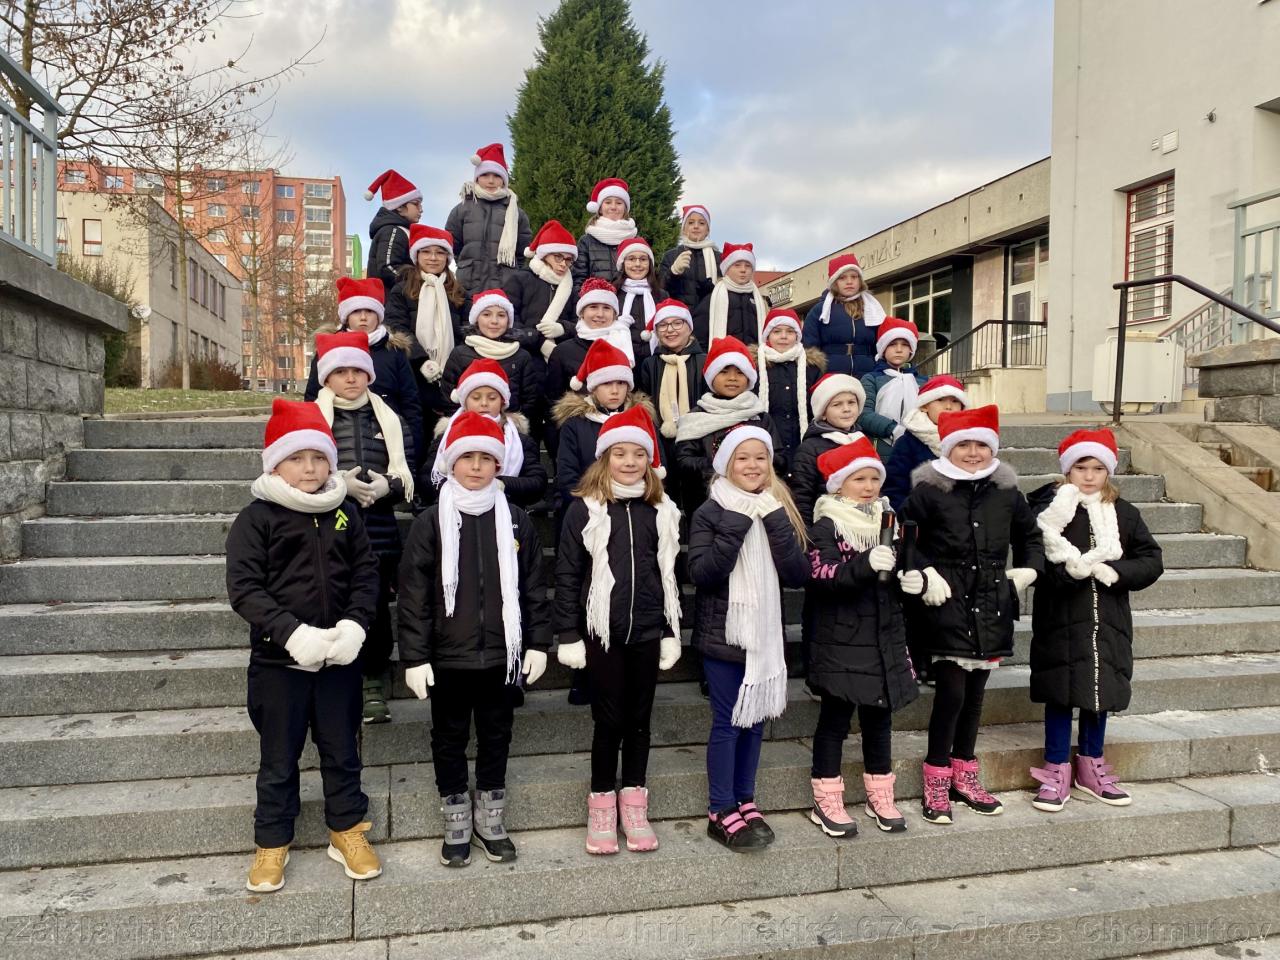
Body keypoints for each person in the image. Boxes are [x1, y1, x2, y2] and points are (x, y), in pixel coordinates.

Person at [225, 399, 381, 892]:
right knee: (278, 758)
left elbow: (366, 574)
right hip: (279, 664)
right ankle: (272, 841)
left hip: (338, 660)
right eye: (297, 458)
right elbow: (245, 589)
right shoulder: (257, 519)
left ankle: (347, 829)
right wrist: (292, 633)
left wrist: (355, 626)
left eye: (318, 458)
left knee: (342, 751)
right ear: (276, 464)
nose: (310, 468)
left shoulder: (344, 512)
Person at [396, 412, 550, 868]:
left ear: (499, 465)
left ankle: (489, 816)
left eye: (486, 458)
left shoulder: (516, 520)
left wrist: (538, 643)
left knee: (497, 734)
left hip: (502, 655)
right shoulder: (431, 522)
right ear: (451, 462)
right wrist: (414, 656)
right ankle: (456, 816)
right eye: (468, 457)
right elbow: (413, 595)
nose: (477, 466)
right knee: (449, 737)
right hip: (448, 656)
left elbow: (533, 587)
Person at [900, 405, 1044, 825]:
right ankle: (936, 775)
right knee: (952, 694)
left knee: (975, 697)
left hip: (991, 601)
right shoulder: (929, 491)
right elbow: (906, 537)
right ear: (948, 448)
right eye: (964, 444)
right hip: (946, 600)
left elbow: (1030, 536)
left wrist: (1028, 571)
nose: (974, 452)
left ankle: (965, 772)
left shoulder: (1007, 492)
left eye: (981, 444)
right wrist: (924, 571)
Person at [554, 407, 684, 854]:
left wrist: (669, 629)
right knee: (609, 721)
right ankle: (602, 806)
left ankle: (634, 803)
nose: (629, 461)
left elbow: (667, 574)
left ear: (650, 460)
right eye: (620, 453)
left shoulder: (661, 510)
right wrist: (568, 633)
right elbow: (568, 574)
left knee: (640, 721)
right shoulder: (584, 510)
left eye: (638, 454)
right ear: (604, 458)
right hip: (602, 631)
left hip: (646, 629)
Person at [1027, 429, 1164, 812]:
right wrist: (1067, 574)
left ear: (1109, 472)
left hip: (1108, 619)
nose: (1089, 476)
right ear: (1067, 470)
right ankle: (1056, 767)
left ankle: (1091, 764)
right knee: (1060, 693)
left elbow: (1151, 559)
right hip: (1061, 617)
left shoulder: (1123, 513)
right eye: (1081, 467)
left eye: (1098, 468)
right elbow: (1034, 561)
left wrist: (1116, 572)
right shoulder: (1049, 514)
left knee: (1099, 694)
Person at [688, 425, 809, 850]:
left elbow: (797, 574)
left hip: (764, 634)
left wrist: (775, 520)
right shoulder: (711, 511)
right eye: (743, 457)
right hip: (724, 635)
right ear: (726, 464)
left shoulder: (778, 506)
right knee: (728, 722)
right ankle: (720, 808)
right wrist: (737, 524)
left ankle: (745, 798)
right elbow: (703, 573)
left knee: (755, 721)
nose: (753, 465)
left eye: (761, 457)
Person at [804, 437, 921, 836]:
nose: (869, 486)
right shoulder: (827, 524)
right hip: (841, 639)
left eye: (874, 478)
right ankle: (826, 797)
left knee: (879, 721)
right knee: (835, 721)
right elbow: (823, 575)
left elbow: (903, 565)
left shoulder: (888, 521)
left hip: (883, 636)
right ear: (840, 485)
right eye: (859, 479)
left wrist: (915, 578)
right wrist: (865, 563)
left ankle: (880, 794)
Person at [311, 331, 416, 725]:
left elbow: (408, 474)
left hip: (378, 532)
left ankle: (373, 681)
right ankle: (334, 681)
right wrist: (340, 484)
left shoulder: (389, 419)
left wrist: (388, 486)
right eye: (341, 372)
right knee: (330, 603)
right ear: (327, 377)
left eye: (357, 370)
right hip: (326, 531)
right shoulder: (313, 418)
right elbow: (298, 470)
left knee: (373, 608)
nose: (351, 378)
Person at [304, 276, 423, 470]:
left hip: (387, 436)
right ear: (346, 316)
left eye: (369, 311)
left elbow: (410, 402)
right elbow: (312, 397)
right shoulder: (328, 349)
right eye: (356, 311)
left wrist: (413, 450)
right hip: (341, 436)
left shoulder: (394, 352)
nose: (363, 317)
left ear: (379, 315)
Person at [552, 339, 654, 528]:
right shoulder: (575, 424)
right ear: (593, 387)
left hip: (636, 512)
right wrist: (594, 504)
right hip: (589, 512)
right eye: (607, 383)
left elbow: (656, 467)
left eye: (621, 383)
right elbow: (568, 477)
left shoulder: (642, 419)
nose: (615, 391)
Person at [423, 359, 548, 508]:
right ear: (464, 401)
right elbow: (427, 479)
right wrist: (460, 485)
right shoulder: (446, 436)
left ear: (502, 402)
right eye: (476, 397)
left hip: (507, 510)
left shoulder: (519, 441)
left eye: (492, 398)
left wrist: (500, 484)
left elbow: (537, 482)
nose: (484, 403)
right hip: (452, 509)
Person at [383, 224, 468, 438]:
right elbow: (396, 326)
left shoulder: (458, 291)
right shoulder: (401, 290)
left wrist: (456, 363)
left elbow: (467, 330)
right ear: (416, 255)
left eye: (440, 252)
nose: (433, 258)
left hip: (451, 375)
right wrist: (421, 360)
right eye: (426, 251)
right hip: (413, 373)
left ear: (447, 257)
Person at [675, 336, 784, 501]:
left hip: (756, 499)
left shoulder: (760, 416)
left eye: (740, 372)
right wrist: (726, 465)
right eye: (724, 372)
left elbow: (779, 458)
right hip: (708, 500)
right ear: (711, 376)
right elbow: (684, 461)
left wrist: (752, 466)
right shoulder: (696, 417)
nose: (732, 378)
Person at [636, 298, 707, 512]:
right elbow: (645, 399)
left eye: (677, 323)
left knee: (698, 500)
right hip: (663, 440)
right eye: (663, 325)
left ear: (689, 328)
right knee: (666, 499)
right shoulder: (650, 364)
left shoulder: (704, 360)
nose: (670, 330)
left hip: (697, 440)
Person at [445, 142, 532, 295]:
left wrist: (511, 273)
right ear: (477, 178)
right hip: (468, 288)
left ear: (504, 179)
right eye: (485, 175)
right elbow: (452, 247)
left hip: (506, 289)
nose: (491, 181)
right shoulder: (461, 210)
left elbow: (521, 252)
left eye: (497, 176)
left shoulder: (516, 213)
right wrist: (466, 266)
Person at [441, 289, 542, 420]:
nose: (494, 321)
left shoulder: (521, 357)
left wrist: (509, 424)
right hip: (467, 426)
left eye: (501, 315)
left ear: (508, 320)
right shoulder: (460, 355)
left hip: (509, 427)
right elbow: (448, 398)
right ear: (476, 319)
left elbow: (530, 401)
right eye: (486, 314)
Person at [753, 308, 825, 478]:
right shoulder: (754, 367)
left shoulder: (812, 368)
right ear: (767, 335)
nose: (783, 336)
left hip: (802, 446)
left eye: (790, 332)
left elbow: (819, 408)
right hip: (768, 445)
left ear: (797, 335)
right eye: (777, 331)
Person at [789, 373, 868, 525]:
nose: (846, 409)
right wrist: (808, 534)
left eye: (851, 402)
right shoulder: (810, 448)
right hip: (826, 527)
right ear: (823, 413)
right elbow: (802, 497)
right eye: (837, 404)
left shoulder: (863, 441)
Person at [882, 375, 969, 513]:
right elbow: (895, 488)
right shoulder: (907, 442)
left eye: (955, 401)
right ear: (924, 406)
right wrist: (906, 518)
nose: (948, 406)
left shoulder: (970, 441)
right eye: (940, 400)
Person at [545, 277, 636, 401]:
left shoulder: (625, 346)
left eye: (606, 308)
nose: (600, 314)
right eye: (593, 307)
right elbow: (553, 399)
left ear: (614, 314)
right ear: (582, 312)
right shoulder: (562, 352)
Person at [502, 219, 579, 366]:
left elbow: (580, 323)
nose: (563, 264)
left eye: (569, 260)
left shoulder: (572, 287)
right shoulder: (520, 279)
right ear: (544, 255)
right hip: (524, 355)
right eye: (558, 257)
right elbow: (508, 318)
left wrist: (563, 328)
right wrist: (539, 340)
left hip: (561, 356)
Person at [803, 254, 887, 379]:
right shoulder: (820, 310)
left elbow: (883, 344)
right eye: (842, 278)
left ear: (860, 280)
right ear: (834, 282)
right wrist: (817, 376)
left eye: (854, 277)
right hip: (830, 376)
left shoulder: (873, 309)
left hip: (868, 376)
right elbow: (809, 349)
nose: (849, 282)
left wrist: (878, 372)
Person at [858, 317, 927, 457]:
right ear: (883, 348)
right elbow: (863, 414)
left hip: (917, 449)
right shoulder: (871, 379)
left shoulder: (923, 382)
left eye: (905, 345)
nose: (899, 349)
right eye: (892, 344)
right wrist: (893, 429)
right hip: (880, 450)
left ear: (911, 350)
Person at [692, 243, 769, 348]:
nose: (743, 270)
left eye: (748, 265)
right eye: (737, 265)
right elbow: (699, 337)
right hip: (723, 355)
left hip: (755, 356)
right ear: (726, 268)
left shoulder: (761, 302)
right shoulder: (712, 299)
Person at [573, 178, 638, 292]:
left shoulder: (635, 240)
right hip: (596, 301)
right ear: (600, 209)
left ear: (625, 209)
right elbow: (578, 280)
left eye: (619, 203)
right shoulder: (587, 241)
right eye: (608, 202)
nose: (613, 207)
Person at [364, 169, 422, 293]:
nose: (421, 209)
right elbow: (388, 267)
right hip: (390, 300)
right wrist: (420, 282)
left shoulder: (399, 230)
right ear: (400, 207)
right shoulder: (392, 231)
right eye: (416, 204)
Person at [658, 204, 719, 312]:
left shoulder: (718, 258)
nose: (696, 226)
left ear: (708, 230)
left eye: (701, 223)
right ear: (684, 229)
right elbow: (661, 290)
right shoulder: (670, 256)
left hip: (709, 316)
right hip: (679, 316)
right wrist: (673, 272)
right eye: (691, 223)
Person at [613, 236, 664, 359]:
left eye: (643, 259)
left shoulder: (661, 295)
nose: (637, 264)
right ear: (622, 263)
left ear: (650, 263)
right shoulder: (613, 294)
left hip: (656, 360)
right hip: (621, 359)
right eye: (631, 259)